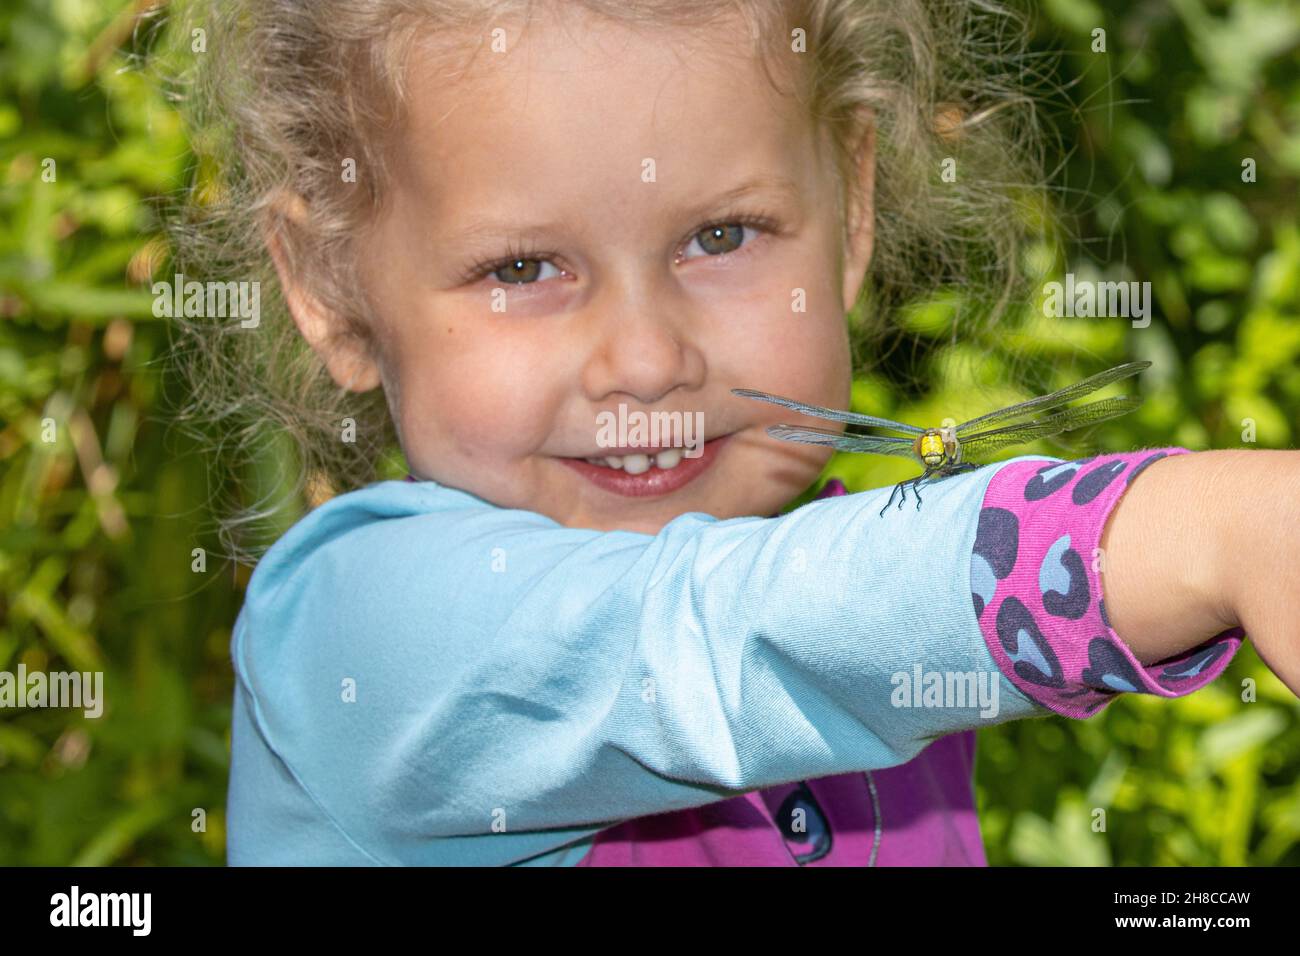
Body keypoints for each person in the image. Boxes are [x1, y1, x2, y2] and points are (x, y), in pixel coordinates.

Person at [163, 0, 1299, 865]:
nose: (648, 357)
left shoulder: (895, 669)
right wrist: (1188, 534)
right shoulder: (359, 637)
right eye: (521, 266)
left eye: (722, 236)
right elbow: (706, 639)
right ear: (328, 284)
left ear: (849, 206)